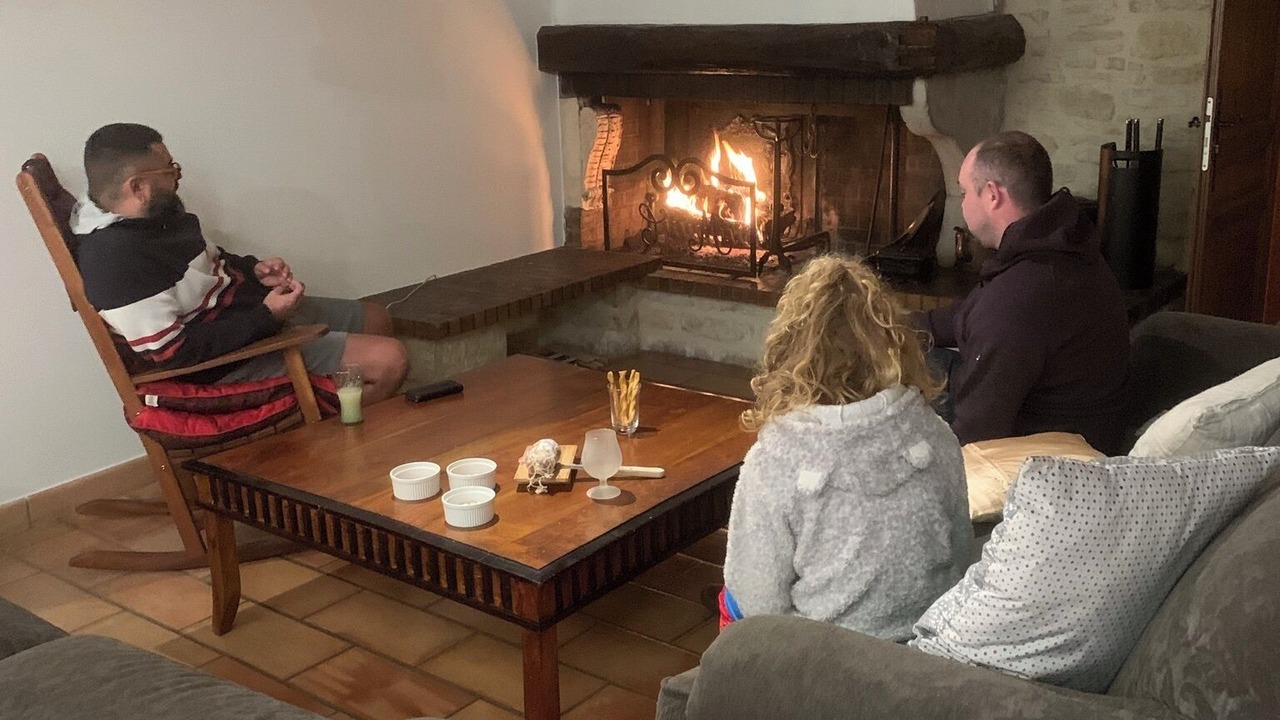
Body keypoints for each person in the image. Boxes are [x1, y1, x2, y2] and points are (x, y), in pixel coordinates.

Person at [720, 255, 972, 642]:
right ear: (894, 341)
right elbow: (959, 551)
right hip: (928, 657)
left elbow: (757, 603)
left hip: (831, 667)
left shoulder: (775, 460)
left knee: (731, 601)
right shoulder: (934, 434)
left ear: (790, 350)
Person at [70, 123, 408, 402]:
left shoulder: (158, 214)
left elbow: (211, 262)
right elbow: (172, 352)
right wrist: (267, 316)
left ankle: (359, 416)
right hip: (224, 361)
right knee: (388, 361)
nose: (177, 177)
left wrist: (254, 270)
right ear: (138, 186)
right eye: (170, 170)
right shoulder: (114, 260)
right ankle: (340, 442)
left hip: (247, 314)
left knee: (376, 317)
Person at [919, 131, 1130, 454]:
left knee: (889, 385)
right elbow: (966, 315)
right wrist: (880, 325)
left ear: (992, 195)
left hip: (1035, 454)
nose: (962, 203)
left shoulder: (1022, 295)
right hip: (1028, 407)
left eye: (963, 193)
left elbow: (975, 434)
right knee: (897, 354)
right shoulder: (1054, 249)